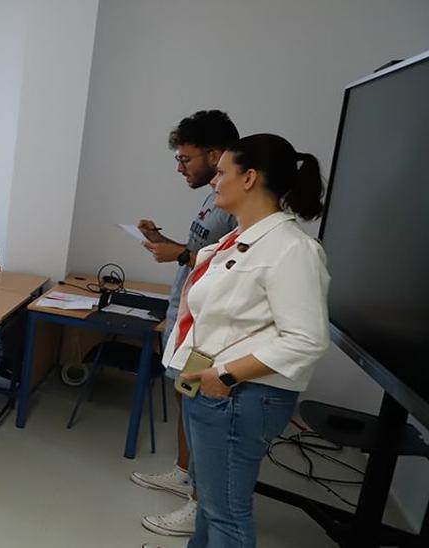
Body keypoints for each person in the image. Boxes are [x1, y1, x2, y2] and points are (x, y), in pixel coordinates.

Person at [166, 133, 329, 547]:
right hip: (211, 385)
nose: (214, 182)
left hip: (239, 395)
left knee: (227, 516)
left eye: (221, 172)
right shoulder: (239, 239)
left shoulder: (292, 249)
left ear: (250, 178)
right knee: (211, 506)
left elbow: (306, 339)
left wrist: (227, 375)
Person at [132, 110, 240, 538]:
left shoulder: (238, 200)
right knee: (186, 398)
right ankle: (183, 472)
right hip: (186, 315)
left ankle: (200, 502)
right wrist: (164, 242)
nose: (180, 168)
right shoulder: (212, 195)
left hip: (210, 324)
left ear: (216, 155)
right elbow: (201, 249)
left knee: (204, 411)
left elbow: (235, 265)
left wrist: (177, 254)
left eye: (186, 159)